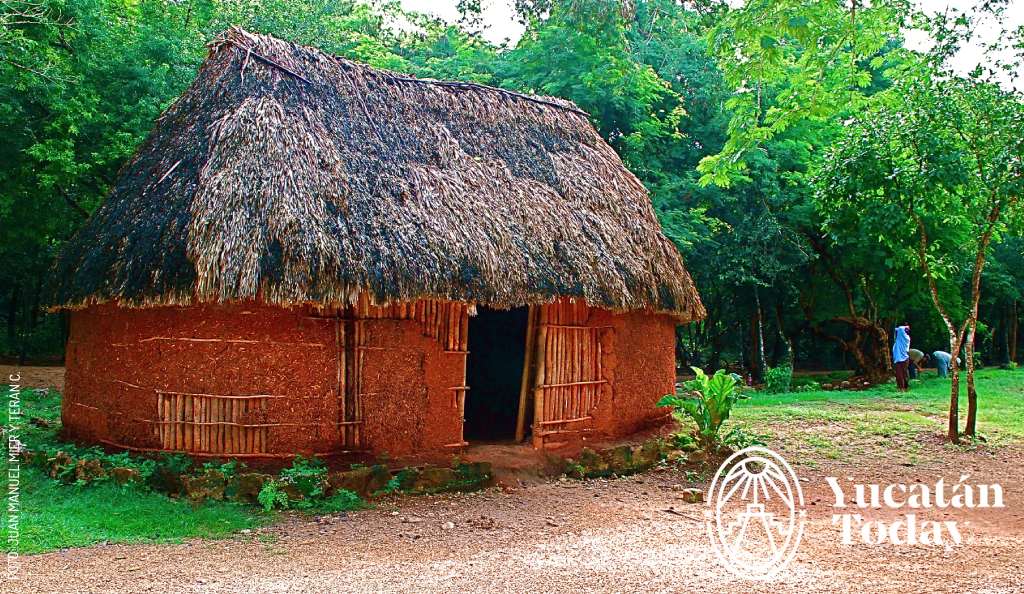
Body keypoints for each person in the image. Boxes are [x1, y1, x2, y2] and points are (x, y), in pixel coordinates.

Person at [892, 324, 911, 391]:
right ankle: (905, 387)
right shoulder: (907, 337)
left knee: (899, 374)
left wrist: (906, 327)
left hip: (900, 359)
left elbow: (899, 328)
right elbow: (898, 329)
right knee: (904, 373)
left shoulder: (902, 336)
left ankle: (901, 388)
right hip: (905, 358)